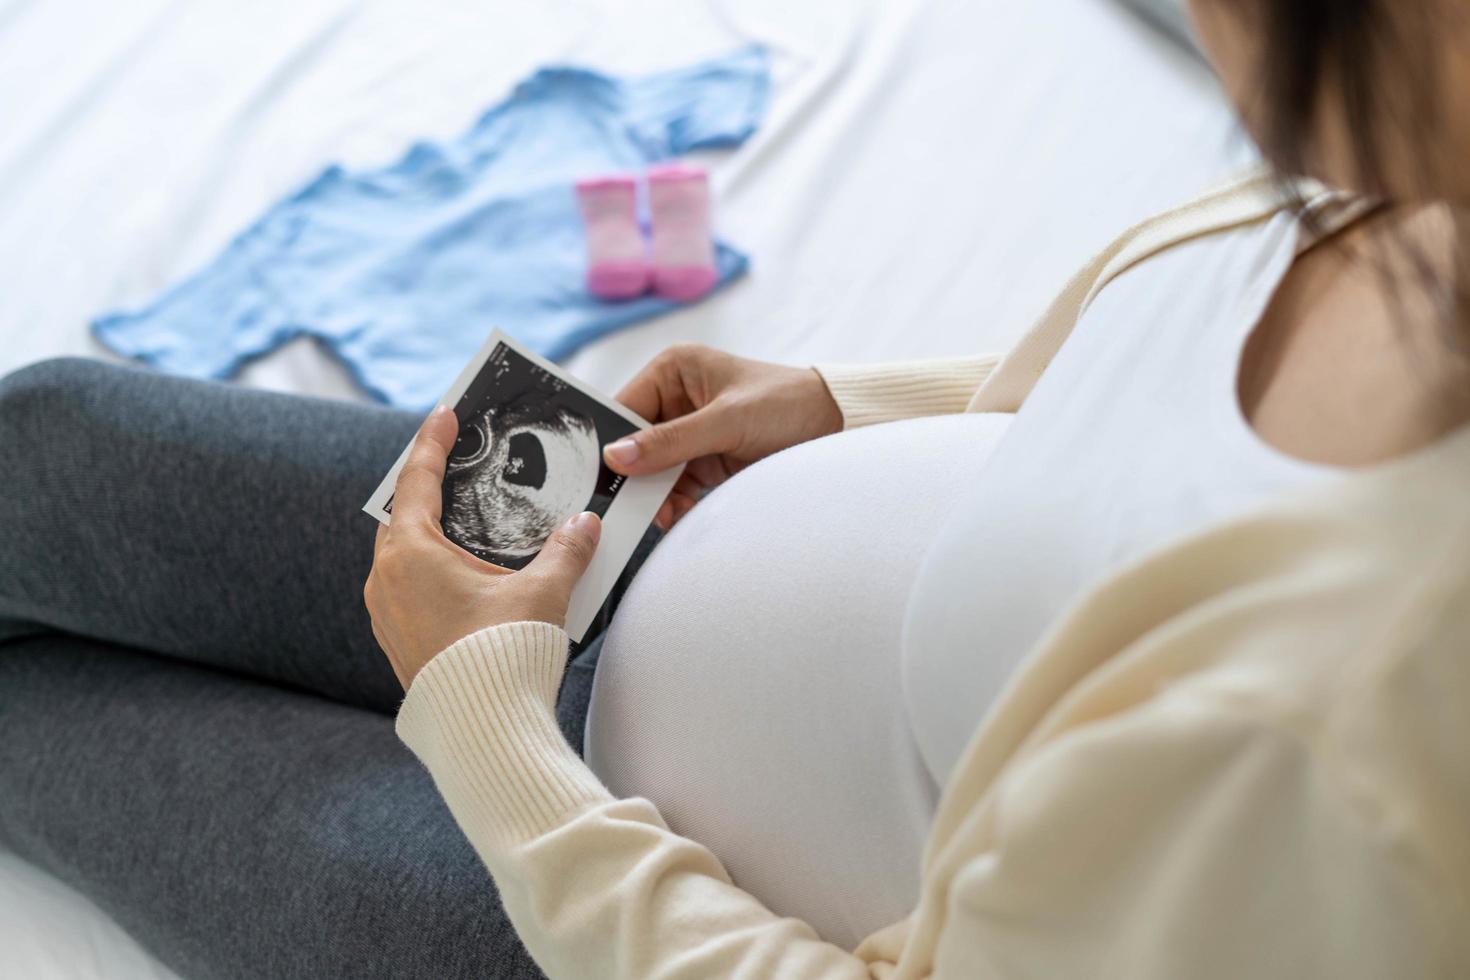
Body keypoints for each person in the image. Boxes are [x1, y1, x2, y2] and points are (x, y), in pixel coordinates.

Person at [1, 1, 1467, 978]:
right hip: (644, 564)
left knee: (33, 720)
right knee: (49, 438)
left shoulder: (1338, 726)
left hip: (617, 913)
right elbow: (1144, 382)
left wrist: (490, 725)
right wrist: (848, 408)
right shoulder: (1398, 175)